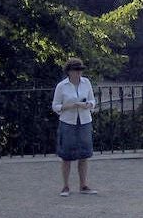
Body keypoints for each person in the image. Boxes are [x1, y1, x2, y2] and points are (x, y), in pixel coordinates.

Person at [52, 57, 98, 197]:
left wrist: (88, 105)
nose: (79, 73)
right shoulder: (62, 86)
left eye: (80, 70)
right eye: (76, 70)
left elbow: (92, 100)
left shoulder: (86, 83)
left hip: (84, 121)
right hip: (68, 122)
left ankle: (83, 185)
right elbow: (55, 106)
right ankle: (65, 186)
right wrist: (69, 106)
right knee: (66, 155)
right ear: (69, 72)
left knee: (84, 154)